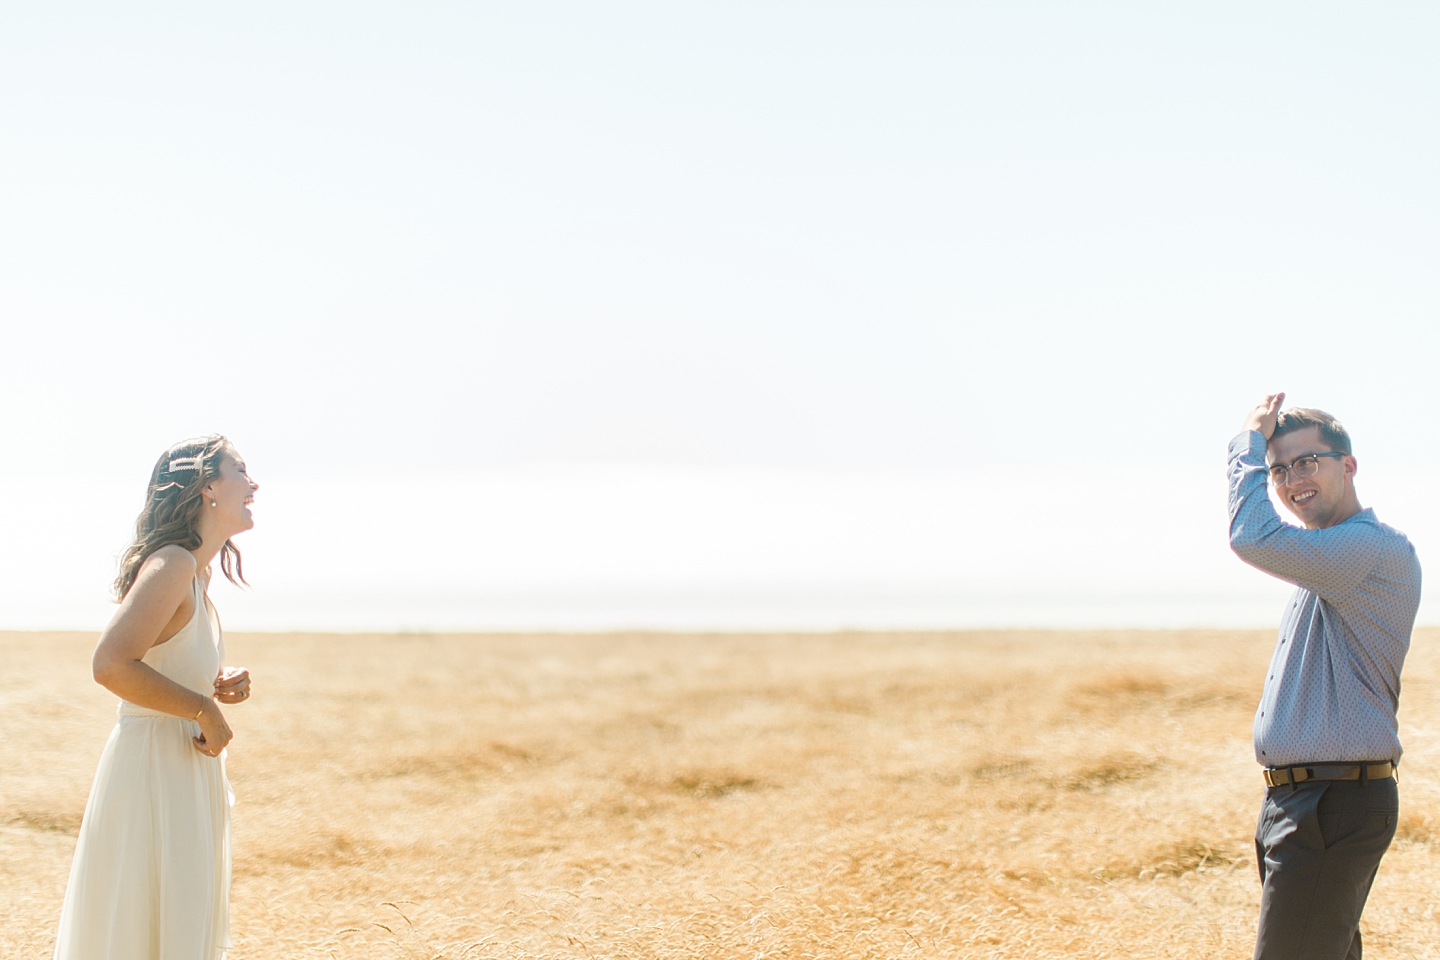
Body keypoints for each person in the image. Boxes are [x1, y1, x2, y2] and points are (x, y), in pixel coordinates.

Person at [1229, 393, 1420, 960]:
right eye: (1279, 468)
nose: (1290, 480)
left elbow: (1251, 537)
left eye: (1306, 461)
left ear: (1349, 465)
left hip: (1332, 801)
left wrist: (1246, 447)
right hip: (1304, 801)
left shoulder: (1368, 548)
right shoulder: (1327, 561)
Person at [53, 436, 260, 960]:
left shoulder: (198, 575)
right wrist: (202, 707)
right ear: (208, 486)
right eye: (241, 470)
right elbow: (110, 664)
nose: (253, 483)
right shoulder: (172, 565)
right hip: (152, 780)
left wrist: (212, 682)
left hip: (180, 777)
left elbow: (160, 659)